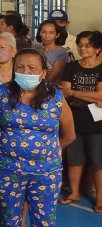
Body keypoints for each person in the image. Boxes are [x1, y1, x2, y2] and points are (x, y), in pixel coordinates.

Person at [0, 49, 76, 226]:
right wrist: (6, 144)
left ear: (43, 73)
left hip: (46, 173)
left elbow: (69, 135)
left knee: (44, 221)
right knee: (9, 220)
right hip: (7, 169)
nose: (26, 72)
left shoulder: (56, 98)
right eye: (20, 67)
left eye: (32, 68)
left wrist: (49, 150)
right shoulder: (0, 94)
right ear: (14, 69)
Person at [59, 30, 102, 211]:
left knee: (98, 160)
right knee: (74, 157)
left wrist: (75, 93)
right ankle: (74, 192)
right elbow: (64, 92)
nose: (83, 48)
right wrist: (92, 96)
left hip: (97, 121)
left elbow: (101, 95)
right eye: (80, 44)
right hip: (74, 117)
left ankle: (100, 199)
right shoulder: (72, 67)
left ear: (98, 48)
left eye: (88, 45)